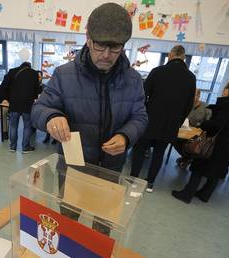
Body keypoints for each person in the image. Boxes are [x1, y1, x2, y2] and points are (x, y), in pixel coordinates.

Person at [31, 2, 148, 172]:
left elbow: (140, 117)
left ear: (123, 45)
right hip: (72, 167)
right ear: (88, 39)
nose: (106, 55)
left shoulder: (134, 79)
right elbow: (38, 108)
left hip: (112, 168)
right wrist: (51, 117)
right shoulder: (64, 74)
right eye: (99, 45)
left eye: (115, 47)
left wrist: (126, 136)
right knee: (69, 200)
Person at [130, 45, 196, 192]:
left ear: (170, 55)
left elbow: (143, 94)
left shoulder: (158, 71)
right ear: (184, 57)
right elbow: (188, 105)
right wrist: (178, 121)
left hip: (150, 120)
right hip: (171, 124)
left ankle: (133, 179)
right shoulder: (191, 77)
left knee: (140, 150)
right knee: (159, 153)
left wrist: (143, 113)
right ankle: (150, 183)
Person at [172, 80, 229, 204]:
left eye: (226, 88)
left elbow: (215, 125)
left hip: (214, 144)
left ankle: (186, 194)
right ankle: (205, 194)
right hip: (227, 144)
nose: (224, 90)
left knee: (198, 168)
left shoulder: (226, 105)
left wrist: (203, 124)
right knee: (216, 171)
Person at [3, 62, 40, 153]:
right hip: (27, 103)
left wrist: (8, 98)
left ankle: (13, 147)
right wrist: (34, 97)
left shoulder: (12, 71)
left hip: (14, 103)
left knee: (13, 125)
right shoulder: (34, 73)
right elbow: (37, 89)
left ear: (21, 65)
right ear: (29, 66)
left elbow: (4, 86)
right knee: (27, 126)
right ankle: (25, 147)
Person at [175, 89, 212, 169]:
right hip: (183, 131)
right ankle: (187, 157)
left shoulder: (206, 107)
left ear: (198, 96)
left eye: (193, 95)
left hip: (197, 135)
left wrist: (199, 125)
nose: (190, 97)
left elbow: (208, 122)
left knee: (189, 143)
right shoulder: (186, 105)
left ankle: (187, 158)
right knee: (174, 139)